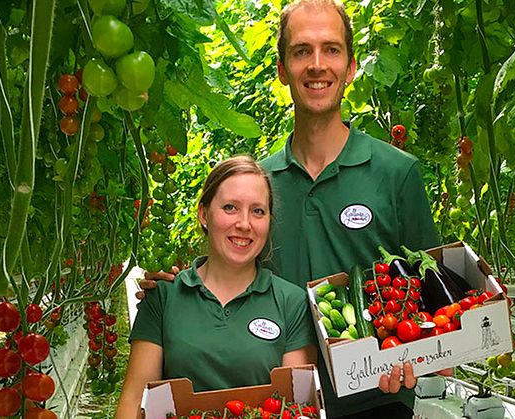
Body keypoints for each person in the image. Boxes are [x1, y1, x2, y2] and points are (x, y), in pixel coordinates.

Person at [141, 0, 441, 417]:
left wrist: (414, 357)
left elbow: (430, 287)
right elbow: (233, 273)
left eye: (331, 50)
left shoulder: (397, 173)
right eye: (302, 51)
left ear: (351, 67)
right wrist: (179, 293)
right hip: (278, 402)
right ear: (282, 69)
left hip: (375, 397)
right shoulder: (260, 190)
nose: (317, 65)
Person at [116, 156, 317, 418]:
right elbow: (133, 401)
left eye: (258, 211)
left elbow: (296, 405)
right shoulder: (164, 296)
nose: (244, 224)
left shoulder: (292, 302)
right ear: (204, 215)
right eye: (230, 207)